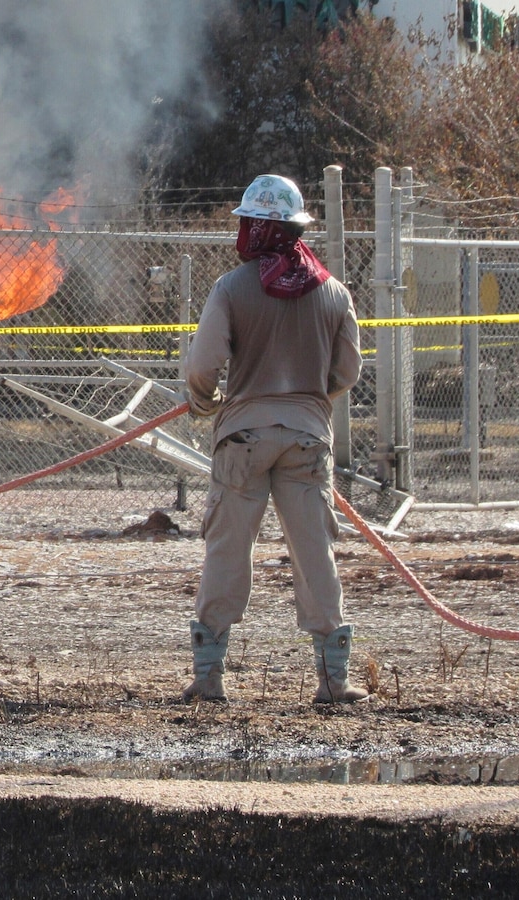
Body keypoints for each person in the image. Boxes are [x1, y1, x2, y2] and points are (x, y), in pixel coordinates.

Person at [181, 174, 365, 704]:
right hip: (308, 438)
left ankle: (209, 678)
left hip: (242, 438)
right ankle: (334, 680)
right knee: (315, 553)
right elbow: (348, 370)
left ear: (255, 229)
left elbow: (203, 364)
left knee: (227, 549)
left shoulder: (232, 288)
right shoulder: (332, 292)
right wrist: (308, 404)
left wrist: (205, 399)